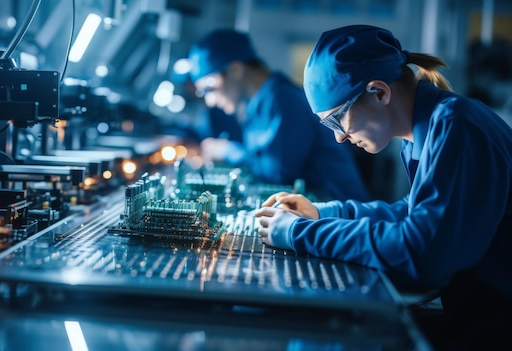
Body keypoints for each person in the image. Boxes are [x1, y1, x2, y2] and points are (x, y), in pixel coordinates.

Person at [254, 24, 512, 349]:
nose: (339, 137)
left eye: (337, 120)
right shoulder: (427, 130)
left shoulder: (457, 126)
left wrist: (301, 234)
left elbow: (423, 254)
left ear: (380, 92)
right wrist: (322, 212)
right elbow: (411, 212)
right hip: (478, 308)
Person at [187, 28, 371, 202]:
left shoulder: (284, 99)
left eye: (209, 89)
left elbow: (277, 173)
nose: (210, 101)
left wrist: (228, 151)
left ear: (236, 69)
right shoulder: (258, 105)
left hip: (340, 216)